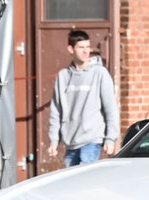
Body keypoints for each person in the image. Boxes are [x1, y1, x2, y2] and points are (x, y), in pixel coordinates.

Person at [46, 29, 119, 167]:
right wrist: (54, 140)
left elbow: (111, 107)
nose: (86, 51)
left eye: (87, 47)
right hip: (71, 142)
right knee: (72, 184)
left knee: (86, 182)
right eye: (81, 47)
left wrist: (110, 139)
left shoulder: (100, 73)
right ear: (70, 49)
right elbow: (56, 110)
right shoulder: (63, 76)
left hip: (91, 140)